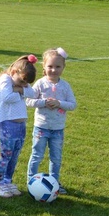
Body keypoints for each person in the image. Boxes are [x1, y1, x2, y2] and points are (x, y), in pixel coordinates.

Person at [25, 48, 76, 195]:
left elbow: (72, 105)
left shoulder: (65, 86)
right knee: (36, 155)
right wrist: (43, 102)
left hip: (58, 129)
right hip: (41, 127)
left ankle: (55, 183)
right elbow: (28, 100)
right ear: (44, 67)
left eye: (58, 67)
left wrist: (59, 103)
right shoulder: (40, 84)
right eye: (50, 66)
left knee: (56, 158)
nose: (53, 70)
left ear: (63, 67)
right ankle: (31, 181)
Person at [0, 54, 37, 198]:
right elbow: (6, 97)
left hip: (20, 125)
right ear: (14, 72)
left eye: (26, 83)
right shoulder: (5, 79)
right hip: (7, 123)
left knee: (14, 155)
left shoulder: (20, 84)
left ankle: (7, 181)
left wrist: (19, 89)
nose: (24, 85)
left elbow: (33, 93)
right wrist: (21, 93)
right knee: (6, 155)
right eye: (22, 81)